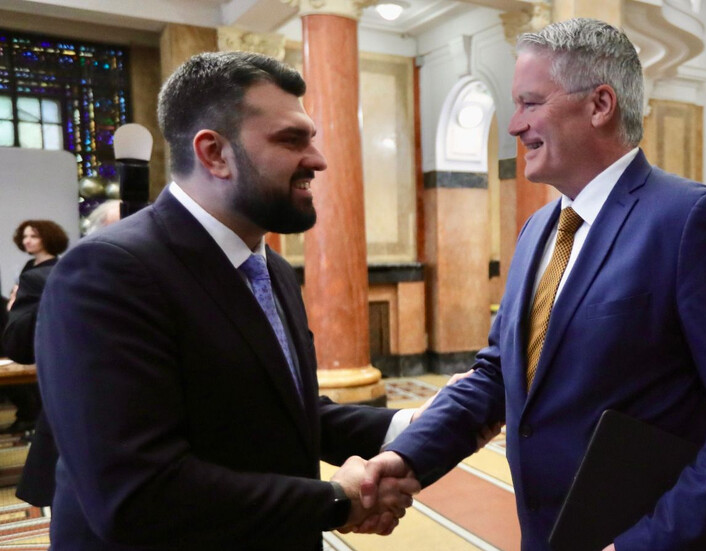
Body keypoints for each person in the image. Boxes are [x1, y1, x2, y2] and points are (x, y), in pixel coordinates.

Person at [362, 18, 706, 550]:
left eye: (530, 103)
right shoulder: (537, 230)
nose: (514, 125)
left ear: (599, 105)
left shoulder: (692, 221)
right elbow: (497, 374)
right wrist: (407, 455)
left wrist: (643, 546)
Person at [34, 52, 422, 549]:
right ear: (214, 153)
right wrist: (336, 500)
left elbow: (281, 412)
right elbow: (137, 492)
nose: (318, 160)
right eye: (291, 140)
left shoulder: (270, 266)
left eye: (311, 139)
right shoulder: (108, 271)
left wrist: (413, 423)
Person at [2, 220, 69, 508]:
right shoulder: (30, 269)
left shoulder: (54, 270)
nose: (28, 241)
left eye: (34, 236)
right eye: (25, 236)